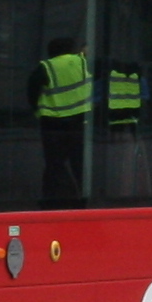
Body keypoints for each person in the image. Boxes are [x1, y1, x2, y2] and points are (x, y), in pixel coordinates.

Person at [30, 35, 92, 204]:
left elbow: (32, 92)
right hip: (79, 123)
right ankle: (81, 199)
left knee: (54, 164)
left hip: (52, 125)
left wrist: (37, 112)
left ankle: (53, 199)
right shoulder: (82, 62)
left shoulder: (46, 67)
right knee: (78, 164)